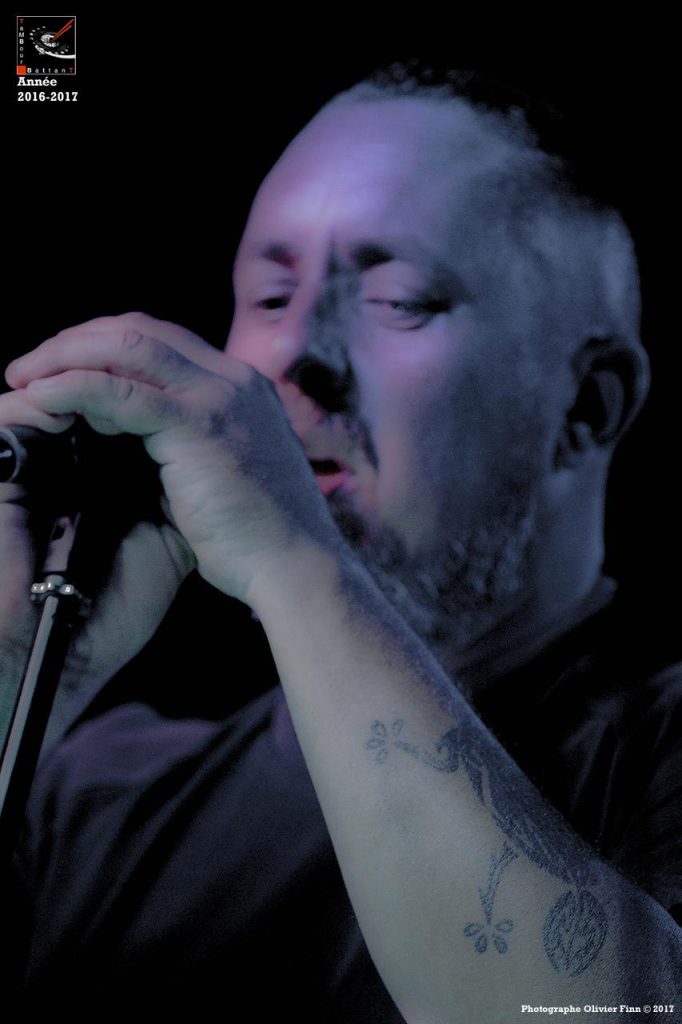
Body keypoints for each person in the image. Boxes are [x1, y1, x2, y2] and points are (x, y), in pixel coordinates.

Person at [1, 64, 680, 1020]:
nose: (290, 356)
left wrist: (294, 559)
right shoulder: (95, 787)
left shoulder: (658, 753)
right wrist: (22, 672)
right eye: (270, 298)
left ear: (587, 407)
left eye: (399, 299)